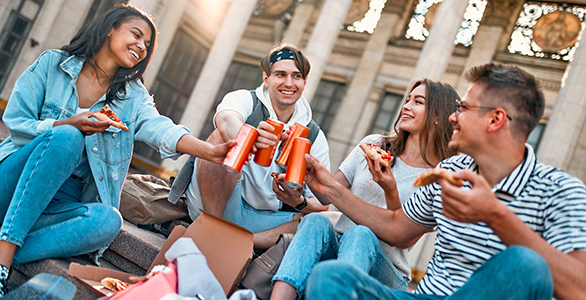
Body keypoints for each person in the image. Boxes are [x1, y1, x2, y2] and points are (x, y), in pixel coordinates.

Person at [0, 5, 232, 298]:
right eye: (136, 35)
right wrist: (68, 123)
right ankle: (2, 254)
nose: (141, 47)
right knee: (67, 137)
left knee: (109, 220)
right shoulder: (53, 64)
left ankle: (1, 255)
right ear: (110, 29)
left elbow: (161, 129)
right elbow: (16, 121)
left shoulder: (133, 97)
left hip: (58, 203)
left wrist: (210, 151)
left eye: (147, 45)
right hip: (9, 186)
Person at [303, 63, 586, 300]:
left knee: (526, 264)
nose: (452, 116)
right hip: (425, 296)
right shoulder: (450, 170)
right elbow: (397, 228)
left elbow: (579, 288)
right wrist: (330, 187)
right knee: (333, 277)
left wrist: (496, 215)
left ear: (495, 119)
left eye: (463, 108)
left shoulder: (560, 191)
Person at [270, 79, 459, 300]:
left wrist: (390, 189)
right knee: (315, 221)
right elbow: (326, 197)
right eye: (407, 99)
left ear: (438, 116)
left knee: (361, 233)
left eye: (418, 102)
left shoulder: (439, 176)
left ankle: (338, 293)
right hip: (338, 247)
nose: (406, 106)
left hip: (387, 270)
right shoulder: (374, 144)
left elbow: (403, 239)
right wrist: (309, 176)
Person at [182, 43, 331, 249]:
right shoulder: (245, 99)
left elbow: (323, 204)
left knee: (324, 223)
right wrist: (249, 139)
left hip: (264, 220)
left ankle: (238, 244)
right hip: (218, 205)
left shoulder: (314, 135)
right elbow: (226, 120)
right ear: (266, 79)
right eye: (280, 74)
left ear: (305, 82)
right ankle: (211, 231)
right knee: (219, 139)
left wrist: (299, 202)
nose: (289, 83)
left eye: (296, 76)